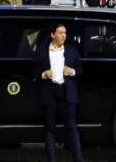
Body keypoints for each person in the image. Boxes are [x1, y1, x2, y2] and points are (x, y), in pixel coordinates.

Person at [33, 24, 84, 162]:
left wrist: (71, 72)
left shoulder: (72, 51)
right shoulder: (41, 52)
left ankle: (78, 158)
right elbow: (34, 72)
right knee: (50, 128)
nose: (63, 36)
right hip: (49, 92)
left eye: (65, 33)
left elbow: (79, 70)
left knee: (72, 127)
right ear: (52, 34)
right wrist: (44, 74)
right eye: (60, 33)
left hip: (66, 92)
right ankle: (52, 158)